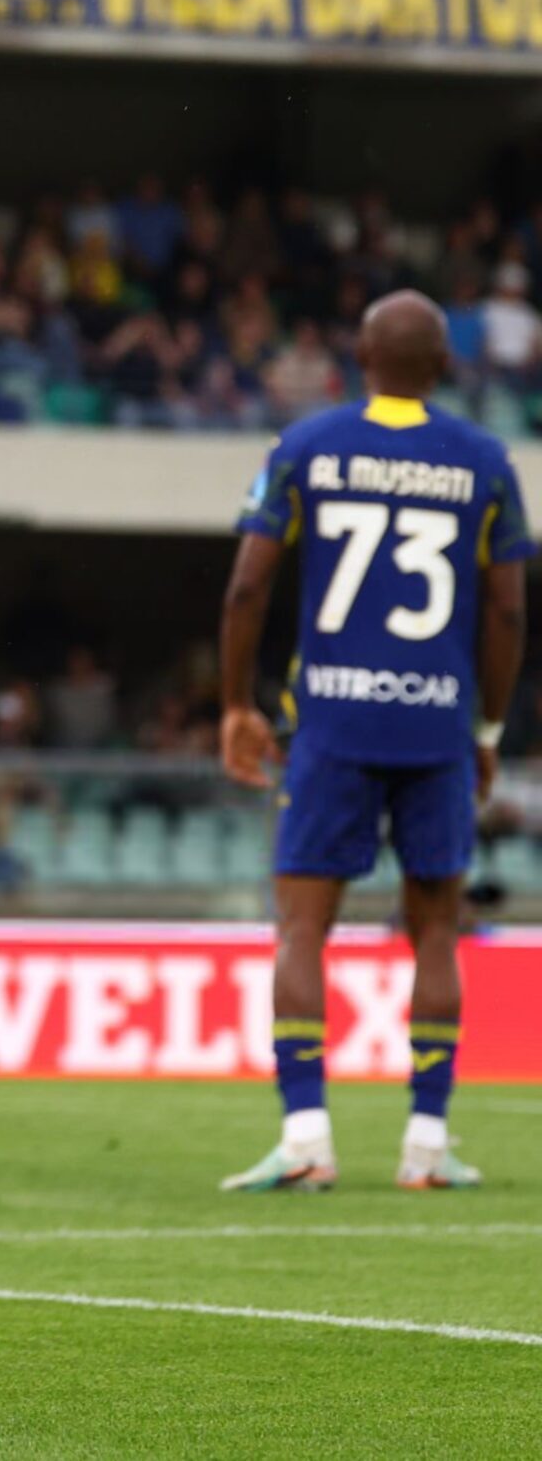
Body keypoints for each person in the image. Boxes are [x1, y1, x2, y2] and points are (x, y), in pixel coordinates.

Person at [218, 289, 530, 1193]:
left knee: (301, 928)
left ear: (358, 358)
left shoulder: (307, 447)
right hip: (436, 723)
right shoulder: (484, 461)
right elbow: (508, 608)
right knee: (436, 929)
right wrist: (486, 725)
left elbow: (246, 589)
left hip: (333, 720)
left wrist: (237, 702)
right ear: (442, 365)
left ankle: (308, 1138)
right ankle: (426, 1146)